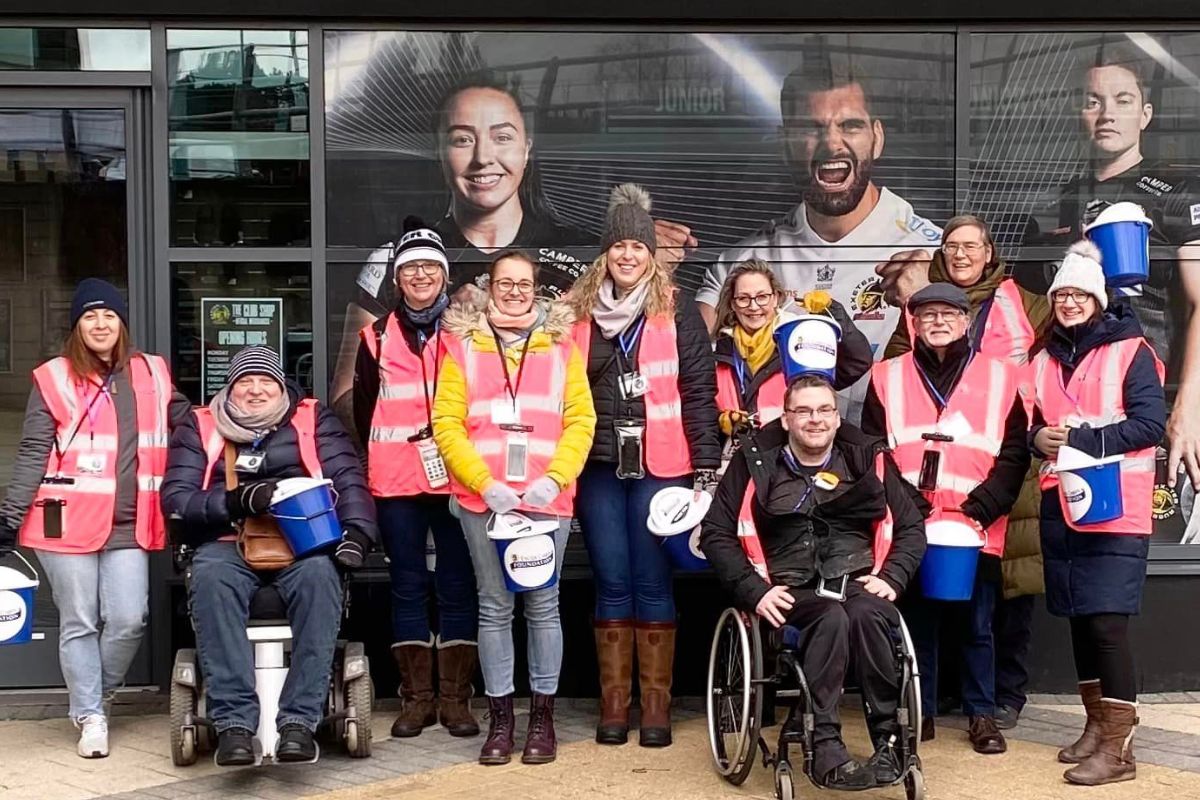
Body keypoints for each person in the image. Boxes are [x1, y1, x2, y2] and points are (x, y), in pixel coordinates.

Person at [700, 374, 926, 790]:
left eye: (824, 410)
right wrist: (756, 590)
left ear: (838, 418)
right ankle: (825, 749)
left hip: (856, 579)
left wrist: (892, 576)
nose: (815, 420)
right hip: (788, 588)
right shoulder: (754, 462)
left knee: (870, 615)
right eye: (803, 411)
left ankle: (889, 741)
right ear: (786, 419)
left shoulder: (866, 458)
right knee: (831, 618)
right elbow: (715, 533)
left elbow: (911, 526)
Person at [330, 73, 592, 427]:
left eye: (502, 137)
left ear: (527, 149)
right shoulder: (397, 261)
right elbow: (345, 400)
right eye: (462, 139)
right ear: (439, 151)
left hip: (548, 463)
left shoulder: (583, 254)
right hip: (433, 470)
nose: (483, 157)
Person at [161, 346, 378, 766]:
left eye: (266, 381)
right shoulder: (201, 425)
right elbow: (176, 499)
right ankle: (234, 726)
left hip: (303, 544)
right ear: (230, 387)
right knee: (210, 577)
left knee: (320, 576)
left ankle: (299, 723)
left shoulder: (313, 420)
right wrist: (235, 501)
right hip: (227, 544)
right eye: (246, 381)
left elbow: (349, 481)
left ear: (282, 387)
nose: (256, 390)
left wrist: (356, 535)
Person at [694, 56, 942, 422]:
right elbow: (688, 362)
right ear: (784, 144)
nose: (832, 144)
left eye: (851, 126)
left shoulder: (933, 254)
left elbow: (980, 374)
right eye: (811, 128)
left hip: (888, 464)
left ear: (877, 139)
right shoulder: (742, 262)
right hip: (780, 468)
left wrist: (925, 300)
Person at [0, 279, 188, 759]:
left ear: (122, 323)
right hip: (64, 523)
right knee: (80, 621)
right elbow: (32, 452)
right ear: (77, 327)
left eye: (109, 316)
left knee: (129, 619)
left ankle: (96, 694)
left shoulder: (151, 372)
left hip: (131, 522)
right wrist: (8, 516)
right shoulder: (55, 377)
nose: (100, 324)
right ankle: (90, 714)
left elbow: (188, 422)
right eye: (89, 316)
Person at [880, 215, 1052, 729]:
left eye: (970, 246)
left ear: (989, 251)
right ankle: (937, 702)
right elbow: (890, 399)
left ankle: (1000, 700)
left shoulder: (1026, 304)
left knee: (1004, 595)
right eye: (951, 246)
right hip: (923, 498)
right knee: (928, 608)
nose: (960, 254)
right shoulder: (913, 319)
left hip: (1003, 476)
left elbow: (1050, 367)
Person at [566, 184, 720, 748]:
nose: (627, 254)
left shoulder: (678, 311)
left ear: (652, 253)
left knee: (653, 582)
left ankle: (654, 706)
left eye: (638, 245)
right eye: (618, 246)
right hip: (600, 468)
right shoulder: (577, 314)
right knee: (611, 579)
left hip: (663, 465)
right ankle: (614, 705)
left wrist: (705, 471)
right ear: (604, 254)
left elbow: (700, 393)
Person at [432, 250, 596, 766]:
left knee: (544, 605)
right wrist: (484, 482)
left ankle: (541, 719)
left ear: (538, 288)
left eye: (524, 283)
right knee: (495, 605)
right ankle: (501, 718)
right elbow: (447, 424)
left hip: (547, 500)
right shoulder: (461, 346)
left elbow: (581, 421)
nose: (515, 291)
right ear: (490, 286)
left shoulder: (562, 346)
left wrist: (554, 479)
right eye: (505, 282)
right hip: (485, 501)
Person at [1020, 44, 1200, 502]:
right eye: (1093, 101)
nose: (1107, 114)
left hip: (1149, 401)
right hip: (1072, 406)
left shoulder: (1175, 194)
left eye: (1122, 100)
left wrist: (1187, 407)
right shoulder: (1058, 200)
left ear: (1145, 113)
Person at [861, 283, 1030, 754]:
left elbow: (1015, 452)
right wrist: (904, 504)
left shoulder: (1002, 377)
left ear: (966, 322)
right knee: (916, 623)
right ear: (913, 323)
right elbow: (875, 449)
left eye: (948, 315)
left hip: (976, 525)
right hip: (910, 523)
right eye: (927, 315)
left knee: (979, 625)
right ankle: (923, 710)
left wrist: (986, 504)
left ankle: (982, 714)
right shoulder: (885, 375)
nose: (937, 322)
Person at [1029, 241, 1165, 786]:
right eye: (1061, 293)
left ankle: (1119, 749)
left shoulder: (1131, 350)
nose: (1068, 302)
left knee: (1107, 623)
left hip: (1116, 507)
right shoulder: (1042, 358)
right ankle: (1095, 727)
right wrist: (1038, 437)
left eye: (1079, 294)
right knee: (1082, 622)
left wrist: (1080, 438)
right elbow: (1029, 426)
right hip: (1061, 502)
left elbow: (1150, 425)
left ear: (1099, 298)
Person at [352, 218, 479, 740]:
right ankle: (417, 699)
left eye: (430, 265)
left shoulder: (468, 334)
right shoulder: (374, 337)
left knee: (457, 584)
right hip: (396, 480)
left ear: (444, 275)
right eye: (410, 268)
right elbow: (363, 412)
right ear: (397, 278)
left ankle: (455, 700)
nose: (421, 274)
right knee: (406, 585)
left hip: (456, 478)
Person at [712, 259, 873, 438]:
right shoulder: (716, 353)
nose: (753, 306)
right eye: (743, 298)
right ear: (733, 304)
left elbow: (856, 362)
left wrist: (833, 313)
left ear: (776, 298)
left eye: (762, 297)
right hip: (737, 458)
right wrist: (718, 421)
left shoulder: (800, 340)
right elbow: (700, 409)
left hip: (792, 455)